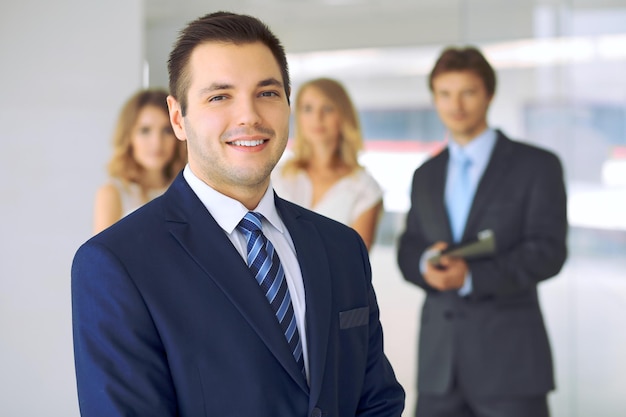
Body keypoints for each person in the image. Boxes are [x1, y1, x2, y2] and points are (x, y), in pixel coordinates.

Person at [72, 11, 404, 417]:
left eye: (267, 93)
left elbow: (378, 400)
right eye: (219, 96)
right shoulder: (117, 263)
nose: (249, 116)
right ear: (178, 117)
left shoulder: (341, 247)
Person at [397, 46, 567, 417]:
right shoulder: (426, 175)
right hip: (439, 368)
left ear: (489, 94)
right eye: (444, 94)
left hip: (510, 367)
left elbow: (549, 250)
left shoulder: (536, 166)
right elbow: (409, 247)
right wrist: (426, 264)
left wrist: (473, 276)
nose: (455, 105)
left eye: (468, 92)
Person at [272, 78, 383, 250]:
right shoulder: (276, 177)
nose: (317, 117)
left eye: (328, 108)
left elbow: (354, 261)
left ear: (343, 115)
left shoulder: (365, 189)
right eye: (308, 109)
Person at [92, 88, 187, 234]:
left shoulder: (187, 190)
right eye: (145, 130)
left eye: (167, 130)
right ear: (128, 137)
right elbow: (101, 256)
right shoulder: (113, 194)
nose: (157, 142)